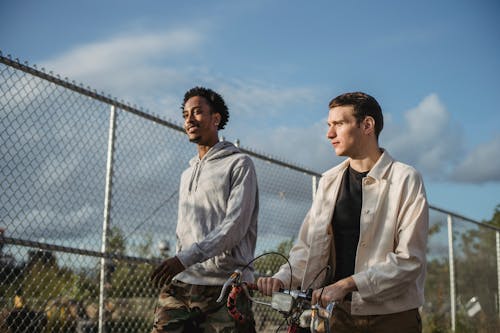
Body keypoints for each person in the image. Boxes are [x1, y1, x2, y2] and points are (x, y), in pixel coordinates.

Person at [257, 92, 429, 333]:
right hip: (337, 316)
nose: (329, 134)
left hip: (392, 317)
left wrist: (348, 284)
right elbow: (307, 249)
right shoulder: (329, 181)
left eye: (339, 124)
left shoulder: (405, 179)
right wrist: (283, 277)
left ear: (367, 125)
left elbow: (410, 261)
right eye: (329, 125)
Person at [150, 86, 259, 333]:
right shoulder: (186, 173)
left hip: (226, 285)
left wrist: (184, 258)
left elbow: (235, 226)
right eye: (186, 114)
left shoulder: (239, 164)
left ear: (216, 119)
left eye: (197, 112)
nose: (189, 119)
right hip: (183, 282)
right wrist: (182, 261)